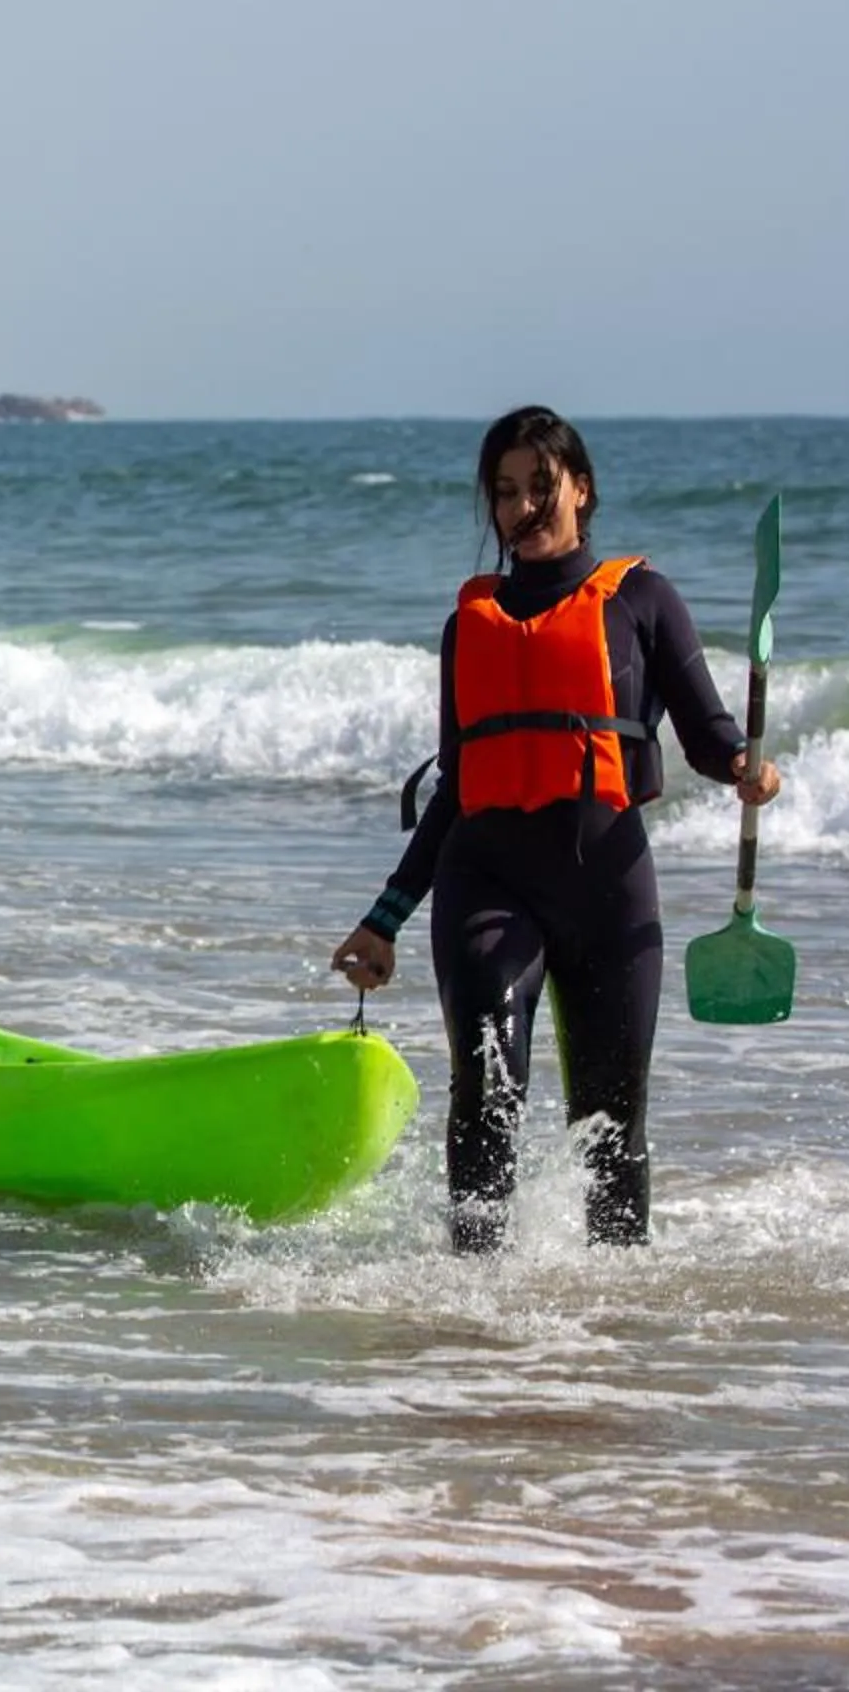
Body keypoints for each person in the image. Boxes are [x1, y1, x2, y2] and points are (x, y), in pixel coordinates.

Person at [329, 407, 782, 1253]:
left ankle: (610, 1333)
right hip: (486, 883)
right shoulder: (470, 625)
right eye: (505, 493)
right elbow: (458, 787)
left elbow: (710, 734)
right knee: (489, 1087)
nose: (524, 507)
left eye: (542, 485)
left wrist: (745, 770)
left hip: (609, 888)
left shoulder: (641, 599)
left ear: (582, 488)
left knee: (612, 1124)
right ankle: (478, 1305)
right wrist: (385, 917)